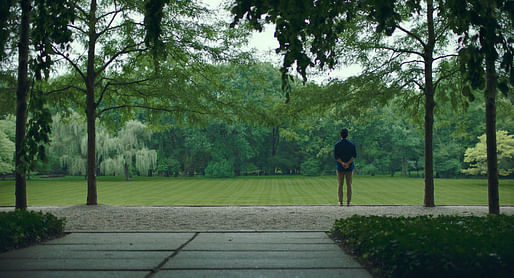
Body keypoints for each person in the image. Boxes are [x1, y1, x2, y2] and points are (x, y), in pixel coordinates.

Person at [334, 128, 357, 206]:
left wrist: (342, 163)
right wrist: (348, 163)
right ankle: (348, 202)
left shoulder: (337, 145)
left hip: (340, 167)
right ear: (347, 135)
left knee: (340, 184)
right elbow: (354, 156)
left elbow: (336, 157)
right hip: (349, 168)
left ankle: (340, 202)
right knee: (349, 185)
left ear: (340, 134)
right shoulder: (351, 144)